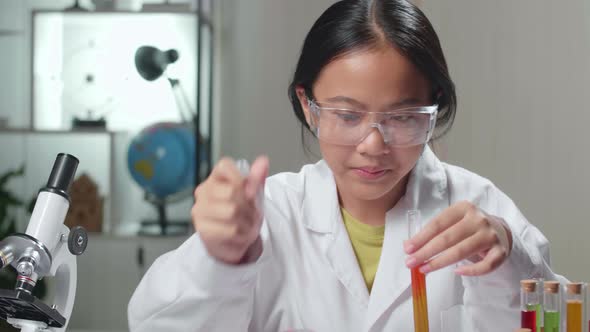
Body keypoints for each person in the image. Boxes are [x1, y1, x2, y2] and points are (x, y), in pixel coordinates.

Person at [128, 0, 565, 331]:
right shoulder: (270, 212)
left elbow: (559, 322)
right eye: (347, 115)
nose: (373, 145)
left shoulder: (477, 206)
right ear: (308, 105)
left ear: (435, 108)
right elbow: (155, 324)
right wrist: (220, 261)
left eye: (402, 117)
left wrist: (507, 266)